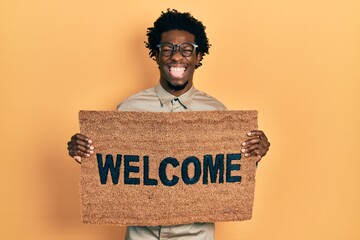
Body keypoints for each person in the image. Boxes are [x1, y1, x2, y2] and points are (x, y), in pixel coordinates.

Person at [67, 9, 270, 240]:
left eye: (186, 49)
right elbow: (113, 171)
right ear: (156, 55)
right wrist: (84, 154)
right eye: (167, 49)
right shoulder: (129, 109)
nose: (176, 57)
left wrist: (254, 155)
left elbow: (226, 176)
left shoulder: (217, 113)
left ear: (198, 56)